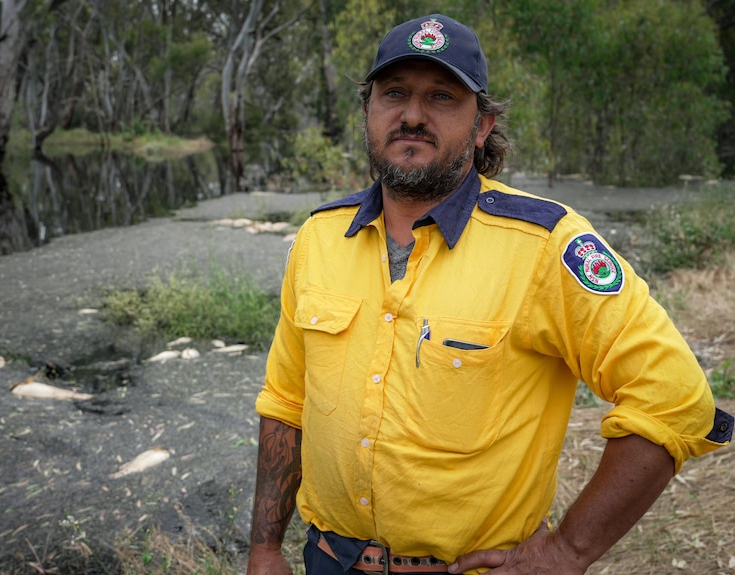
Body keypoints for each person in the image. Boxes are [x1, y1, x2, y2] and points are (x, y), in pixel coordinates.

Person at [246, 13, 733, 575]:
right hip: (326, 561)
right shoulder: (318, 238)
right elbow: (286, 402)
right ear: (368, 111)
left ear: (481, 125)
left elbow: (674, 400)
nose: (411, 115)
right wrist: (264, 548)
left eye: (442, 97)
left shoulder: (546, 247)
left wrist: (567, 551)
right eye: (394, 93)